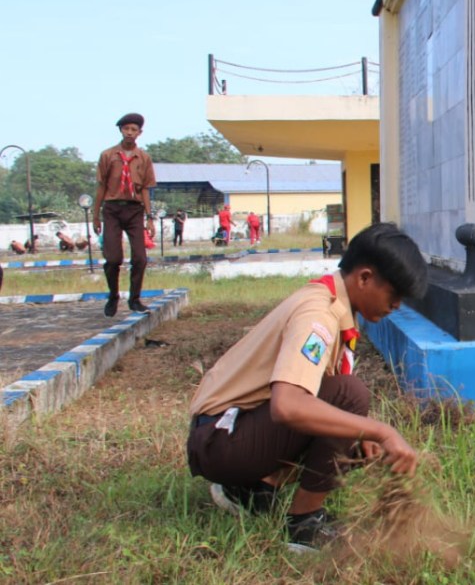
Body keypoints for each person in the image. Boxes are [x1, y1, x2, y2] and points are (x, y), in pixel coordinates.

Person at [186, 222, 427, 553]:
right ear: (365, 278)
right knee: (349, 395)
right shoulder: (319, 315)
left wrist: (362, 436)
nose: (397, 305)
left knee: (351, 435)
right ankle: (304, 526)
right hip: (219, 439)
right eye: (395, 294)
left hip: (228, 431)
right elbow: (288, 406)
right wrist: (380, 430)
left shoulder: (334, 305)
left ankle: (250, 491)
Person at [93, 112, 157, 317]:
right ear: (121, 130)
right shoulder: (108, 155)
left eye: (134, 130)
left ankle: (135, 298)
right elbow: (101, 186)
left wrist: (149, 217)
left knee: (140, 258)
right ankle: (113, 295)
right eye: (126, 129)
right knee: (113, 259)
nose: (130, 133)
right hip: (112, 209)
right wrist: (95, 215)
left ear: (140, 133)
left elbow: (146, 188)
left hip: (134, 210)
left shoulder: (144, 158)